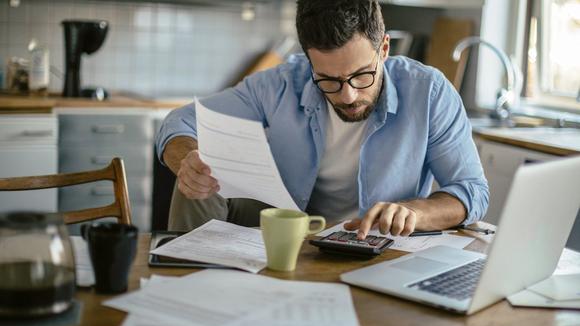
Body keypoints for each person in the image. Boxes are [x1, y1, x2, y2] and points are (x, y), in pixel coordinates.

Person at [156, 0, 489, 239]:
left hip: (373, 244)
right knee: (197, 167)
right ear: (308, 62)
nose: (347, 95)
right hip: (285, 226)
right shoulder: (281, 82)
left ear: (384, 49)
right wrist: (187, 159)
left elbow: (471, 191)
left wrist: (415, 212)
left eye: (361, 76)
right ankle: (187, 285)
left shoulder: (429, 92)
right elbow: (179, 123)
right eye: (328, 80)